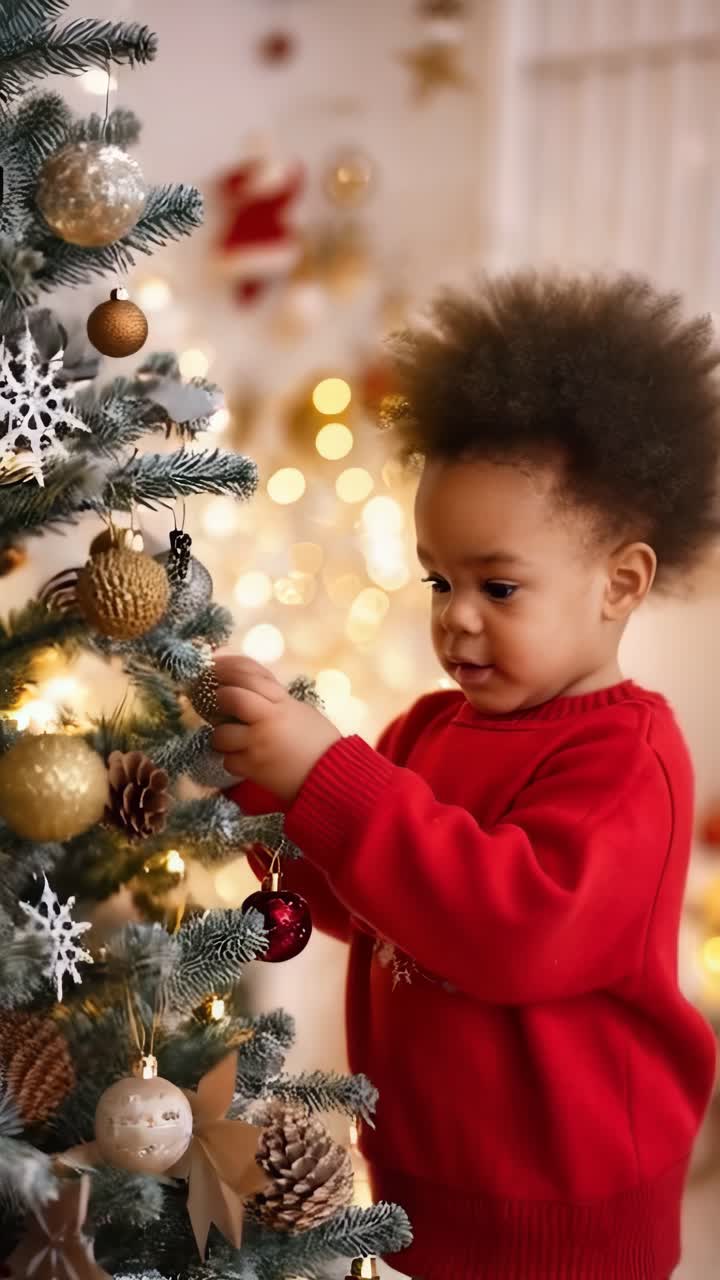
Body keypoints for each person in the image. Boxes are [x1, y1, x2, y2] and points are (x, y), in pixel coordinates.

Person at [212, 273, 720, 1280]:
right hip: (425, 1182)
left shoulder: (629, 759)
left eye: (498, 584)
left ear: (620, 582)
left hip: (568, 1213)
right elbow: (384, 896)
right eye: (439, 578)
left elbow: (514, 929)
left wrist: (329, 771)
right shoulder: (430, 728)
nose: (457, 615)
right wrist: (255, 787)